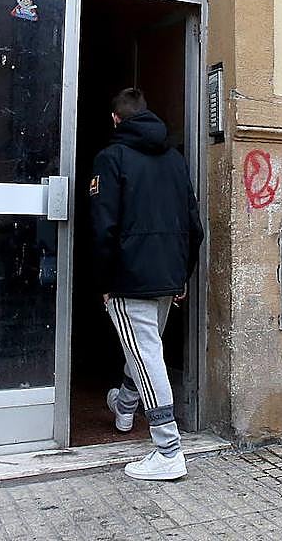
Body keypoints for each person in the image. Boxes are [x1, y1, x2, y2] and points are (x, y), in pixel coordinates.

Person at [89, 87, 204, 481]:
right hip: (167, 278)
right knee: (143, 348)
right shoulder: (174, 160)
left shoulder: (111, 158)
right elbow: (194, 225)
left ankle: (168, 450)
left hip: (129, 279)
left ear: (116, 119)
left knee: (146, 356)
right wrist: (181, 275)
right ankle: (124, 405)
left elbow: (102, 226)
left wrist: (104, 281)